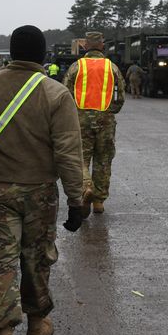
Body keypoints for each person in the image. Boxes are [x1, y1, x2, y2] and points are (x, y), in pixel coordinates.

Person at [0, 25, 85, 335]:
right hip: (39, 192)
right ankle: (36, 327)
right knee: (36, 259)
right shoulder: (56, 94)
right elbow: (68, 153)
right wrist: (76, 200)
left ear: (12, 53)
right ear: (42, 56)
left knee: (0, 262)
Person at [63, 31, 125, 216]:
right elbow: (120, 96)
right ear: (102, 46)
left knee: (80, 158)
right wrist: (110, 111)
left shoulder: (76, 67)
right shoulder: (112, 67)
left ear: (85, 46)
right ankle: (98, 201)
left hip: (80, 120)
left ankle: (86, 187)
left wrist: (74, 113)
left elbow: (65, 93)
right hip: (105, 120)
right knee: (103, 160)